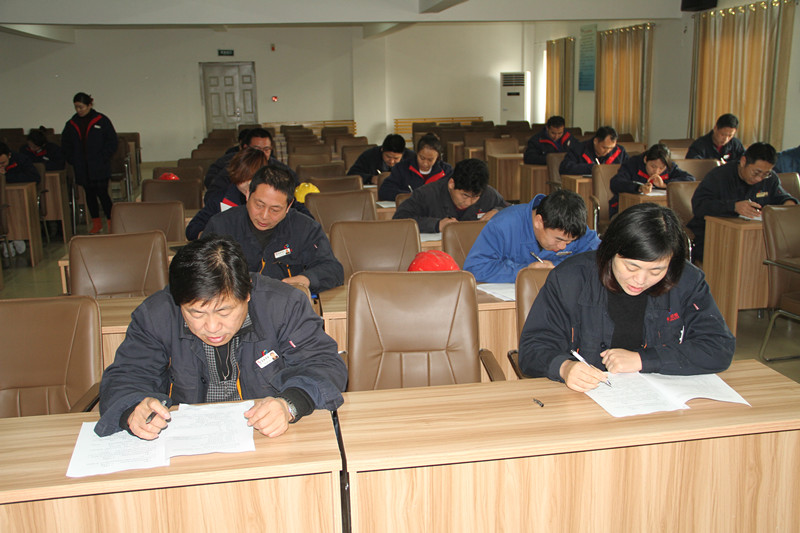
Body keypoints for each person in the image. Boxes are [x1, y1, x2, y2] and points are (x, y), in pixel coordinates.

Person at [95, 235, 347, 438]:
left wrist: (288, 404)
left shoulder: (284, 305)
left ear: (247, 294)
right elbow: (127, 375)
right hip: (185, 444)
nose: (212, 327)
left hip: (265, 438)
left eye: (224, 311)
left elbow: (324, 364)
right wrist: (134, 409)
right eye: (196, 313)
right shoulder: (155, 315)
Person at [518, 203, 735, 392]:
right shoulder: (570, 279)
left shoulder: (686, 280)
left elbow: (718, 347)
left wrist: (643, 360)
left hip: (657, 398)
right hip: (583, 399)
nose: (640, 280)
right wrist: (565, 368)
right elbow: (532, 349)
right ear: (610, 251)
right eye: (631, 267)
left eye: (656, 271)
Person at [204, 164, 344, 294]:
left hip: (285, 306)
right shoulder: (220, 226)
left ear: (289, 206)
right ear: (247, 195)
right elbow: (200, 272)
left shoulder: (305, 228)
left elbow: (333, 270)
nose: (264, 216)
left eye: (275, 210)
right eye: (259, 205)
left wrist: (305, 279)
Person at [687, 142, 798, 262]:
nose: (759, 179)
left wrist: (788, 206)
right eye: (756, 173)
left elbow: (782, 198)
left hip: (753, 238)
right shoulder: (719, 176)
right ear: (743, 161)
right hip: (712, 236)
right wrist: (733, 207)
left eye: (765, 174)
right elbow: (699, 205)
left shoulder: (770, 179)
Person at [463, 189, 600, 283]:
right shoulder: (503, 225)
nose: (563, 246)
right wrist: (524, 271)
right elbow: (475, 267)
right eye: (559, 239)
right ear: (539, 222)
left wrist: (557, 267)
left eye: (570, 242)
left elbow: (600, 258)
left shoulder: (571, 225)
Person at [393, 158, 506, 233]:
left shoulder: (487, 193)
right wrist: (436, 225)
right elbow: (399, 219)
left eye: (475, 197)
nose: (468, 203)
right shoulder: (427, 194)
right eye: (465, 195)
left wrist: (498, 212)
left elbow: (509, 208)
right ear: (452, 184)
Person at [61, 92, 118, 234]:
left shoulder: (101, 120)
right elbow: (65, 144)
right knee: (89, 195)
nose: (79, 110)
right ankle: (96, 223)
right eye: (76, 107)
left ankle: (111, 222)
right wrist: (73, 159)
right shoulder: (71, 124)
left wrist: (103, 157)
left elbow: (112, 141)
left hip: (99, 166)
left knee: (103, 194)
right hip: (82, 167)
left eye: (81, 107)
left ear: (89, 105)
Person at [186, 147, 269, 240]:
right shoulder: (220, 198)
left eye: (253, 179)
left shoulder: (273, 199)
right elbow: (192, 229)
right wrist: (207, 236)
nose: (248, 184)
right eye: (244, 178)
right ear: (235, 175)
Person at [609, 143, 695, 216]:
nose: (656, 171)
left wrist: (665, 184)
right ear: (645, 159)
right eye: (653, 166)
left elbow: (690, 179)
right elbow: (615, 183)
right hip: (626, 210)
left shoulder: (669, 167)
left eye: (661, 168)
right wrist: (639, 188)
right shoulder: (633, 163)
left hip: (657, 212)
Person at [378, 133, 453, 201]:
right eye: (422, 158)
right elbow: (385, 191)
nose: (425, 163)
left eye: (430, 160)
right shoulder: (402, 168)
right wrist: (412, 195)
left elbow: (454, 193)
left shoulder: (446, 170)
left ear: (438, 157)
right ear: (417, 153)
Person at [204, 128, 282, 190]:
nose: (261, 154)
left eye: (266, 149)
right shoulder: (228, 164)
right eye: (257, 149)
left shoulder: (279, 168)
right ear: (246, 148)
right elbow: (212, 190)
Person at [559, 126, 628, 176]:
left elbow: (629, 169)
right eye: (604, 147)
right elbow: (564, 168)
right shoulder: (579, 149)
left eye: (611, 148)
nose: (608, 151)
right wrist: (592, 168)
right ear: (595, 141)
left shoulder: (620, 151)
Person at [347, 134, 414, 185]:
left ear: (403, 153)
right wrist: (371, 178)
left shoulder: (411, 157)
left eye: (396, 158)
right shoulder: (369, 155)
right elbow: (351, 175)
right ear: (382, 149)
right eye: (388, 157)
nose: (391, 161)